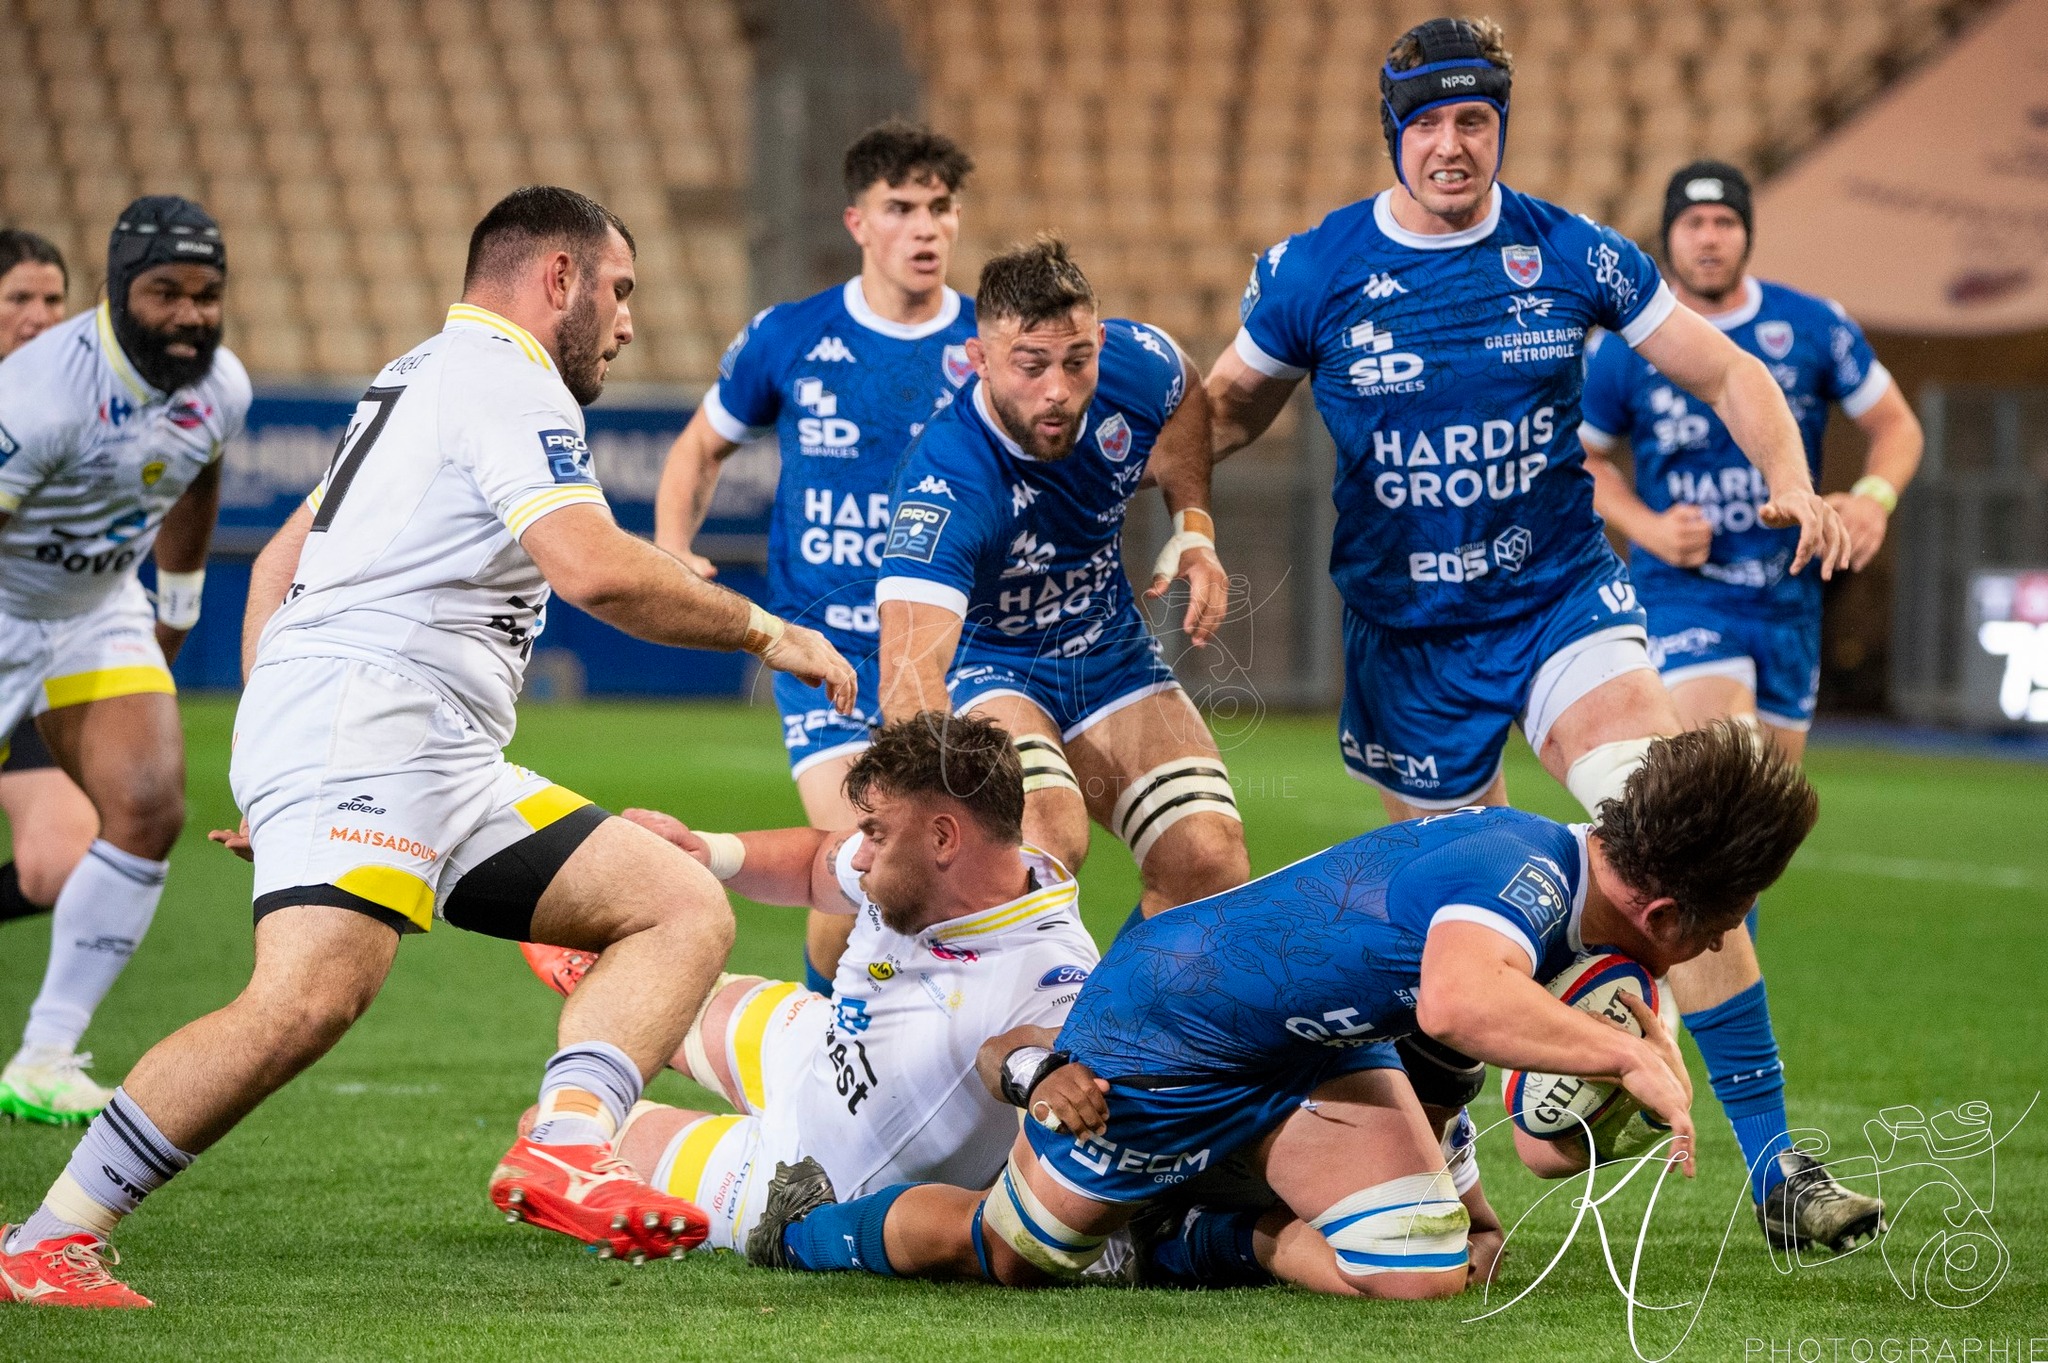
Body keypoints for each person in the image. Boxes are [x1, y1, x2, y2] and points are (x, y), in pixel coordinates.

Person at [0, 186, 857, 1309]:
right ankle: (46, 1239)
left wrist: (276, 758)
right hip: (375, 727)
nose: (629, 322)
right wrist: (764, 627)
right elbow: (591, 565)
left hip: (417, 746)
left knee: (675, 904)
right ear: (558, 278)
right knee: (307, 999)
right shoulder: (504, 378)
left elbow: (272, 570)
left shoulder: (417, 375)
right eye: (619, 290)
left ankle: (563, 1143)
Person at [1201, 16, 1872, 1252]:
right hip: (1409, 647)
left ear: (1499, 127)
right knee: (1452, 929)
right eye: (1429, 124)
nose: (1452, 147)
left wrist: (1790, 475)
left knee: (1673, 829)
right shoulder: (1314, 270)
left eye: (1475, 122)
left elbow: (1724, 371)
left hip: (1562, 599)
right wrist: (1179, 512)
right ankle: (1468, 1153)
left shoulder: (1569, 251)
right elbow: (1218, 411)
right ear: (1392, 131)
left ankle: (1778, 1167)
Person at [743, 721, 1816, 1296]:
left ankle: (1198, 1231)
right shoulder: (1521, 888)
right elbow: (1453, 996)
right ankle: (802, 1230)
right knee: (1008, 1254)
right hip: (1167, 1024)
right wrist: (1624, 1062)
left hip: (1303, 1040)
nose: (1719, 946)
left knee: (1430, 1269)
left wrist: (1469, 1178)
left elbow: (1450, 1042)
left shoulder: (1551, 881)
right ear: (1666, 904)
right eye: (1718, 925)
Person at [1580, 160, 1918, 1248]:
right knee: (1714, 774)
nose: (1709, 239)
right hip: (1682, 603)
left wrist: (1864, 497)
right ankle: (1739, 1118)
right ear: (1670, 239)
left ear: (1744, 234)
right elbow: (1581, 461)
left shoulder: (1811, 327)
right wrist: (1637, 518)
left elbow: (1896, 429)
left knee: (1751, 841)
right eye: (1693, 223)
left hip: (1787, 609)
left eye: (1725, 221)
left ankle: (1679, 997)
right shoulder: (1634, 343)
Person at [524, 713, 1100, 1255]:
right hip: (814, 1048)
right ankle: (610, 986)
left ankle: (615, 1005)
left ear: (945, 838)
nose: (862, 855)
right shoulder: (923, 859)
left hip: (806, 1173)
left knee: (558, 1128)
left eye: (875, 834)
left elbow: (1053, 1077)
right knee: (659, 988)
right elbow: (816, 861)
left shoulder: (1053, 978)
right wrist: (708, 852)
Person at [654, 122, 979, 994]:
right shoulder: (791, 336)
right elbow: (697, 450)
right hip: (826, 655)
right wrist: (673, 545)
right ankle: (816, 1050)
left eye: (940, 209)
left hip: (952, 651)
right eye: (901, 208)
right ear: (857, 223)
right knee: (863, 866)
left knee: (954, 883)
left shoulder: (989, 346)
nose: (925, 228)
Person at [876, 237, 1243, 923]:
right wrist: (927, 816)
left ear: (1101, 342)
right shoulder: (949, 480)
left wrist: (1194, 524)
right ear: (979, 359)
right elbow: (908, 673)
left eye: (1078, 361)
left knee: (1209, 862)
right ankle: (1025, 1025)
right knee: (1044, 841)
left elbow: (1187, 387)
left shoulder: (1136, 366)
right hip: (992, 668)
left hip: (1108, 654)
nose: (1058, 389)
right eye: (1031, 364)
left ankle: (1113, 1024)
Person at [0, 204, 246, 1127]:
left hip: (96, 606)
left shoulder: (220, 388)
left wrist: (175, 605)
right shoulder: (40, 395)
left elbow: (199, 471)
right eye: (166, 292)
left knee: (147, 806)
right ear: (116, 292)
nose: (190, 314)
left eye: (208, 295)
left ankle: (44, 1056)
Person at [0, 230, 100, 949]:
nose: (38, 314)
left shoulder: (80, 407)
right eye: (18, 298)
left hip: (27, 656)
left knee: (63, 859)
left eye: (53, 298)